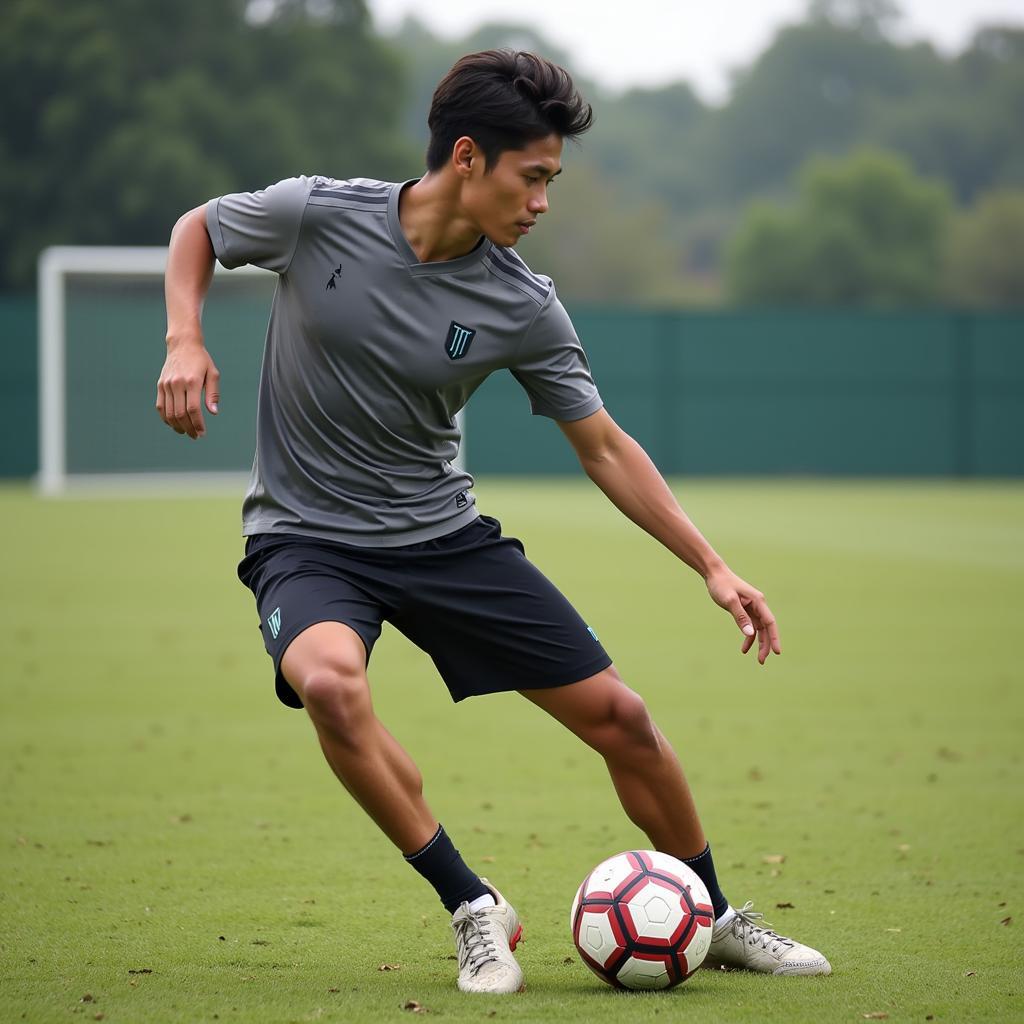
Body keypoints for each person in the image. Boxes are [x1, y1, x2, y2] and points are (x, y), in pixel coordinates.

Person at [157, 49, 831, 993]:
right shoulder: (319, 214)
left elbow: (602, 446)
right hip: (306, 537)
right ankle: (473, 905)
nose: (543, 202)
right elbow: (198, 228)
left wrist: (712, 567)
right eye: (535, 177)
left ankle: (712, 915)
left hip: (442, 539)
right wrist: (185, 335)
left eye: (552, 180)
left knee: (624, 720)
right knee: (331, 686)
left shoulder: (522, 301)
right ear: (468, 158)